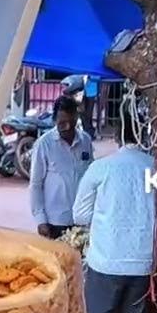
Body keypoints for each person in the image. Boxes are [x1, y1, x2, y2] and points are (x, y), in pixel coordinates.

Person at [73, 105, 156, 313]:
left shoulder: (102, 168)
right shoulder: (155, 167)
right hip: (142, 264)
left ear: (117, 136)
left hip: (105, 261)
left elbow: (80, 215)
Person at [29, 95, 93, 239]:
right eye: (63, 123)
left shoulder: (85, 141)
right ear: (55, 120)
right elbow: (35, 185)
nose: (68, 128)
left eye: (72, 122)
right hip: (54, 222)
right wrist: (40, 220)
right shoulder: (44, 145)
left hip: (81, 221)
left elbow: (90, 179)